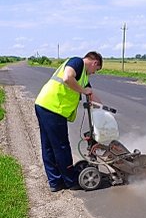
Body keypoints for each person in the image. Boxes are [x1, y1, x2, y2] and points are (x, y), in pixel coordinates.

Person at [34, 51, 103, 192]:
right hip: (53, 108)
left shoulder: (83, 76)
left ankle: (55, 182)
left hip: (45, 105)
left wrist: (104, 109)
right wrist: (84, 91)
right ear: (95, 62)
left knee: (48, 145)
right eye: (96, 70)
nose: (94, 73)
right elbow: (67, 78)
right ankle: (70, 181)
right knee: (61, 146)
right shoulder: (77, 62)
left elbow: (91, 94)